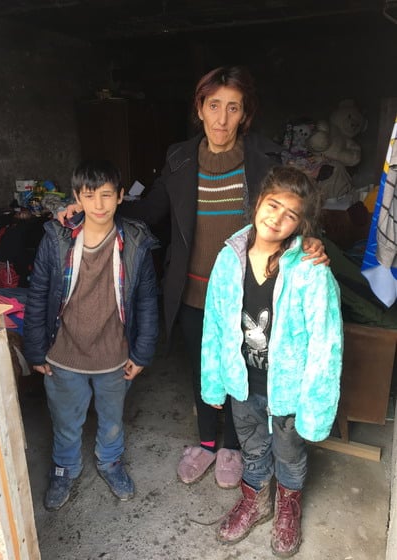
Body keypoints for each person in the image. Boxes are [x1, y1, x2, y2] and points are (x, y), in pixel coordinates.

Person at [60, 66, 328, 490]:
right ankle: (205, 443)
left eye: (233, 108)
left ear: (245, 114)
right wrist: (95, 208)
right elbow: (149, 211)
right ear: (199, 109)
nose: (222, 118)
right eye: (213, 105)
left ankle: (234, 448)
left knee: (243, 374)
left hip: (251, 295)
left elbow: (292, 209)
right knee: (204, 370)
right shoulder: (180, 158)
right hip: (193, 292)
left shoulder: (265, 160)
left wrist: (310, 240)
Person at [201, 166, 343, 556]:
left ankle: (287, 508)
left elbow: (326, 343)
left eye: (291, 214)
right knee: (253, 448)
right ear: (258, 201)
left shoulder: (310, 270)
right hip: (243, 383)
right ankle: (256, 502)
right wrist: (214, 381)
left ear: (301, 225)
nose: (277, 218)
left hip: (289, 392)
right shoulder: (229, 259)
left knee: (289, 453)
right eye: (273, 205)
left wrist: (315, 406)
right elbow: (214, 323)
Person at [23, 160, 159, 511]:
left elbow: (146, 301)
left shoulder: (135, 242)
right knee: (66, 421)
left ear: (121, 196)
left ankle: (110, 461)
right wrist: (35, 350)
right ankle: (64, 468)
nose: (99, 204)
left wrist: (142, 353)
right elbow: (38, 293)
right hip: (64, 353)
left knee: (112, 419)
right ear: (77, 198)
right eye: (90, 195)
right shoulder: (57, 239)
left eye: (107, 195)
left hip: (114, 354)